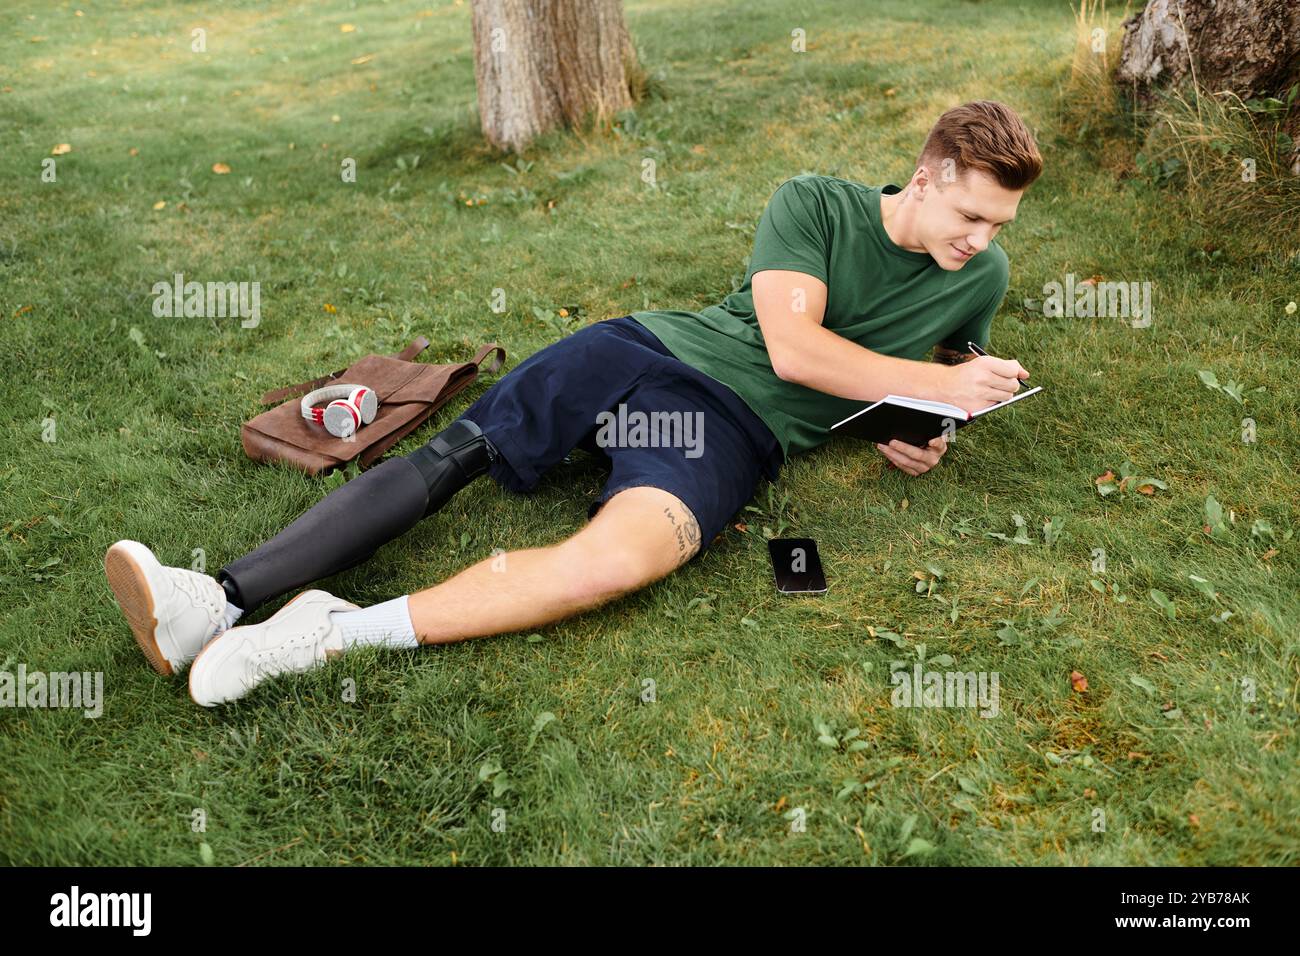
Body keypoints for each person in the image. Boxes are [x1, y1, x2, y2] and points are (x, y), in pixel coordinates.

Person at [105, 99, 1040, 707]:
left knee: (617, 562)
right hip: (644, 347)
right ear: (925, 180)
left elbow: (954, 376)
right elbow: (795, 349)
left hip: (733, 428)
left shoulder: (979, 276)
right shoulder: (815, 204)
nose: (982, 240)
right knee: (452, 457)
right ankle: (213, 599)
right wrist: (931, 384)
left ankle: (328, 634)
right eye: (970, 216)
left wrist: (934, 429)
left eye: (999, 224)